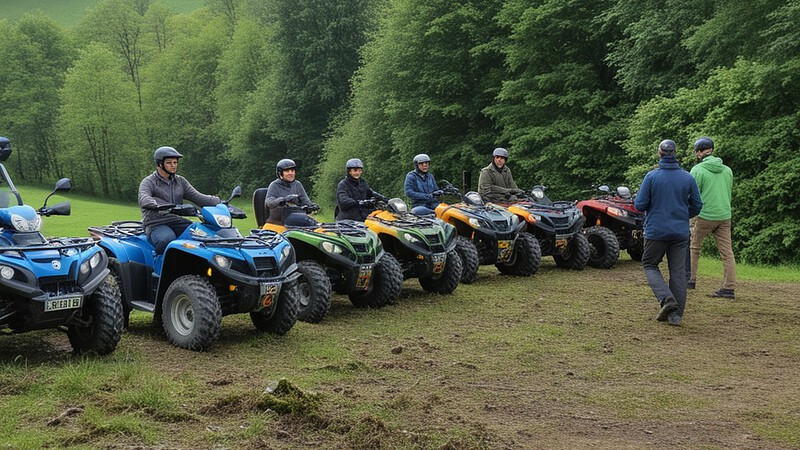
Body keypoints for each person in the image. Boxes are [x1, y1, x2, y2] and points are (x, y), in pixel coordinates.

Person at [634, 139, 702, 326]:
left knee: (649, 264)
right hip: (680, 232)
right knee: (678, 272)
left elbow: (639, 205)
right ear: (675, 154)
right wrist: (682, 215)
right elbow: (697, 205)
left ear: (660, 154)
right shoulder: (688, 177)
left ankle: (666, 299)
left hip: (656, 231)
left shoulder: (651, 177)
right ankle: (676, 316)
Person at [138, 146, 221, 254]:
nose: (173, 165)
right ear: (159, 164)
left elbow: (198, 197)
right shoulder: (148, 182)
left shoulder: (180, 181)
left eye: (175, 162)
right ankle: (158, 264)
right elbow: (144, 198)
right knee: (166, 239)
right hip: (155, 223)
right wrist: (158, 205)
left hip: (176, 221)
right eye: (169, 163)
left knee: (203, 234)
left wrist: (220, 202)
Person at [688, 137, 736, 298]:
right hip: (724, 215)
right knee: (727, 253)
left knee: (694, 248)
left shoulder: (698, 170)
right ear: (712, 150)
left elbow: (692, 196)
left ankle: (690, 279)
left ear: (700, 152)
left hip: (703, 216)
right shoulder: (727, 170)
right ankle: (729, 287)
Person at [265, 158, 318, 226]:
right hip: (280, 219)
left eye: (292, 170)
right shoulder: (274, 185)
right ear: (280, 173)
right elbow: (269, 202)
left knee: (315, 225)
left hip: (297, 215)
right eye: (287, 171)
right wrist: (284, 199)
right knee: (307, 221)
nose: (290, 173)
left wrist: (312, 206)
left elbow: (305, 201)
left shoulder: (297, 184)